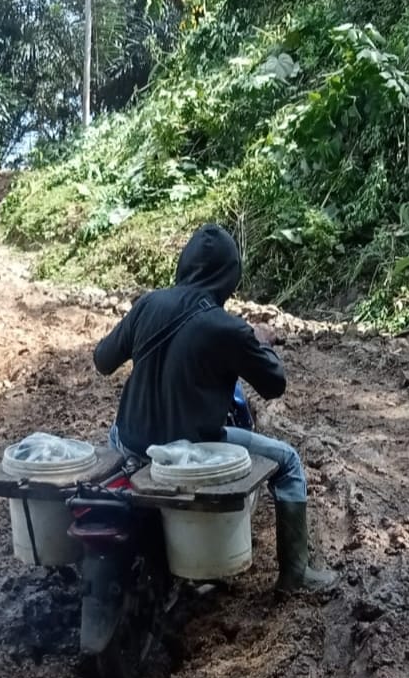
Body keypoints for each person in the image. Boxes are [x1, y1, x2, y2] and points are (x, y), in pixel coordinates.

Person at [93, 223, 337, 593]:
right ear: (229, 276)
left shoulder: (148, 305)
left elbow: (102, 360)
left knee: (112, 438)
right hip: (191, 454)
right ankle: (296, 574)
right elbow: (274, 385)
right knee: (287, 462)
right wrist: (260, 341)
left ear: (184, 264)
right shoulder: (227, 328)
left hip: (129, 441)